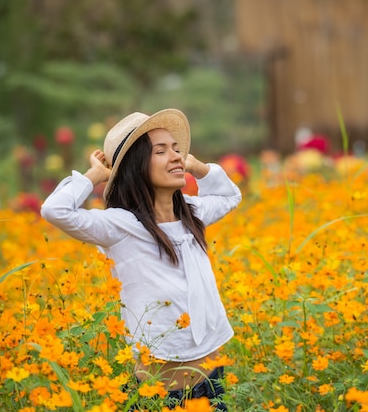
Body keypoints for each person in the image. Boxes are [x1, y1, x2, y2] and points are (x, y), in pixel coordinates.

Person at [40, 109, 241, 410]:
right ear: (135, 166)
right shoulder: (120, 226)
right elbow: (54, 210)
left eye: (177, 149)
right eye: (161, 151)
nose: (176, 156)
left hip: (212, 382)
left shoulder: (191, 213)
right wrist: (95, 174)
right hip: (161, 397)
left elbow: (230, 196)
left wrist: (195, 166)